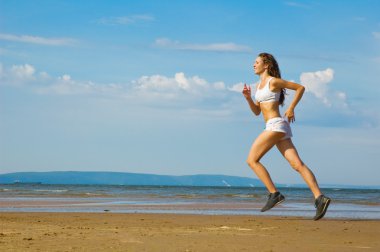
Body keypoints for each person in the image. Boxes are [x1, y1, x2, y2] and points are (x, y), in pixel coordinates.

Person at [242, 52, 331, 221]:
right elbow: (256, 112)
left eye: (256, 62)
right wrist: (248, 98)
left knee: (252, 160)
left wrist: (291, 109)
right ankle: (320, 198)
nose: (253, 65)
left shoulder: (273, 81)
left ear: (266, 65)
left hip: (276, 124)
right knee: (297, 164)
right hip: (275, 126)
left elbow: (300, 88)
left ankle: (274, 194)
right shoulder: (259, 86)